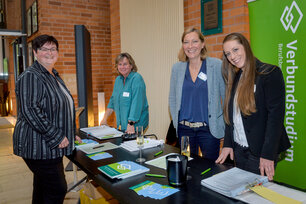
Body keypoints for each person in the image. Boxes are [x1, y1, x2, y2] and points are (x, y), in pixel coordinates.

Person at [13, 34, 81, 204]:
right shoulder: (31, 75)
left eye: (53, 49)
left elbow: (61, 109)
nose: (50, 53)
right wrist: (57, 136)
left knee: (43, 188)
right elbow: (31, 111)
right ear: (35, 52)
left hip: (49, 146)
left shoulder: (53, 75)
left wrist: (71, 134)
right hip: (39, 146)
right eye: (44, 49)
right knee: (56, 189)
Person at [215, 33, 291, 180]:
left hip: (260, 152)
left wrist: (268, 154)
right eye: (228, 53)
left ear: (246, 46)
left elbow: (275, 118)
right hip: (239, 149)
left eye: (236, 50)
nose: (232, 56)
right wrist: (228, 144)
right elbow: (232, 115)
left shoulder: (269, 73)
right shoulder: (235, 77)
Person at [169, 27, 225, 160]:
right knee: (187, 168)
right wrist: (177, 124)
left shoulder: (216, 65)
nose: (190, 46)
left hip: (209, 131)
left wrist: (223, 126)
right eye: (186, 42)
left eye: (194, 41)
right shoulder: (177, 68)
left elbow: (226, 97)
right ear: (183, 45)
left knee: (210, 169)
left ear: (202, 44)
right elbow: (172, 98)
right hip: (185, 131)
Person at [101, 53, 149, 134]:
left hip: (135, 125)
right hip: (122, 125)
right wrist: (104, 119)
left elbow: (137, 102)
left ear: (131, 65)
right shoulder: (118, 80)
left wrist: (131, 124)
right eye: (120, 64)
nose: (122, 67)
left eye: (125, 64)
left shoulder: (136, 78)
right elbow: (112, 101)